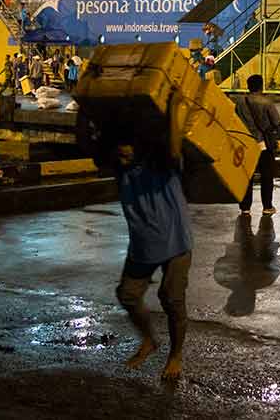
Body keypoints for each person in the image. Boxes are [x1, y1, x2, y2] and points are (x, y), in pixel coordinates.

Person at [108, 105, 193, 381]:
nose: (122, 157)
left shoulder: (163, 166)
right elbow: (86, 142)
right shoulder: (122, 172)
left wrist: (173, 108)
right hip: (142, 248)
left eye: (126, 151)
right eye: (119, 153)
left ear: (139, 148)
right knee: (128, 295)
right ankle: (149, 341)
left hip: (175, 243)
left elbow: (174, 146)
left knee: (172, 299)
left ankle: (176, 355)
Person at [236, 74, 280, 216]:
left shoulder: (240, 102)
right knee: (267, 175)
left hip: (245, 143)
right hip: (262, 144)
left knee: (246, 176)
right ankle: (267, 207)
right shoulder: (266, 102)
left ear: (248, 86)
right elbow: (276, 121)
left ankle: (245, 208)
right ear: (261, 86)